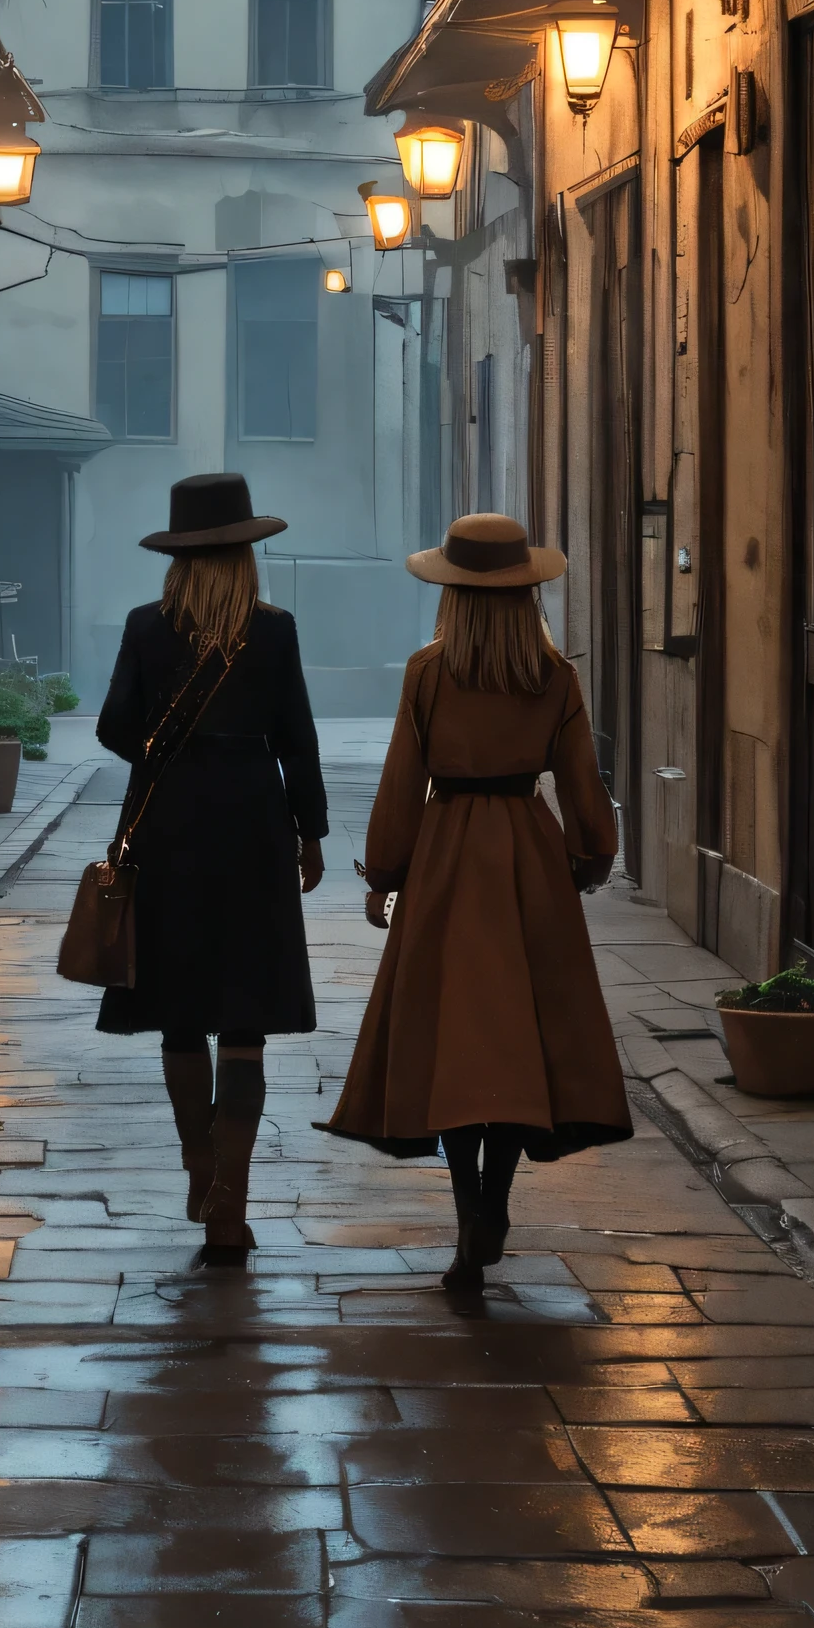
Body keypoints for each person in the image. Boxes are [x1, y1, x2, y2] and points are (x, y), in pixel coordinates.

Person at [326, 511, 629, 1299]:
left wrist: (384, 875)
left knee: (456, 1047)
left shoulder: (428, 673)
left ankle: (468, 1221)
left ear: (452, 595)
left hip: (448, 859)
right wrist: (593, 856)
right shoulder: (555, 676)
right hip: (528, 858)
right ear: (528, 592)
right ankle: (496, 1205)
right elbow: (581, 782)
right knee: (520, 1045)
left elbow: (402, 781)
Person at [94, 471, 326, 1265]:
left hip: (168, 826)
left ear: (179, 557)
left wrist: (166, 754)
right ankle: (232, 1201)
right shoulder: (276, 630)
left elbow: (113, 726)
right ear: (245, 556)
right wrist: (312, 833)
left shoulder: (145, 627)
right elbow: (298, 737)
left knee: (181, 1013)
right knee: (247, 1019)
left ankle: (199, 1163)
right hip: (255, 826)